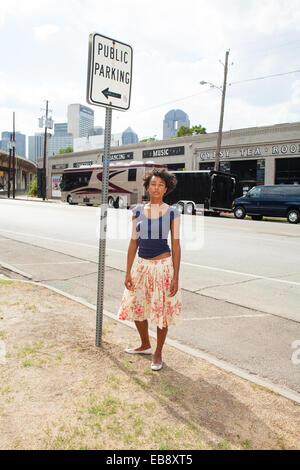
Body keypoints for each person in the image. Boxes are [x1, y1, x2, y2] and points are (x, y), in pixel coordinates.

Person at [118, 168, 182, 371]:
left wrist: (175, 277)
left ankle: (158, 352)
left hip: (162, 267)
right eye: (153, 184)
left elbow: (176, 245)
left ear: (166, 189)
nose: (156, 188)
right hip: (141, 266)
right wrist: (128, 271)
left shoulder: (173, 212)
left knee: (161, 312)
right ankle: (145, 344)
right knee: (136, 306)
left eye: (161, 185)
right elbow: (133, 242)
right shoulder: (137, 211)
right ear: (147, 187)